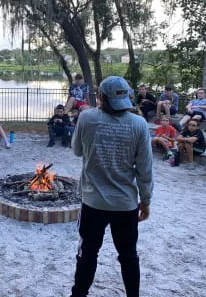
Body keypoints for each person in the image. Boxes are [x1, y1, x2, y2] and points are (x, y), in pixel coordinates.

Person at [70, 76, 153, 297]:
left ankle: (78, 295)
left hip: (92, 202)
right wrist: (145, 200)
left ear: (100, 97)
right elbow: (145, 169)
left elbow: (76, 150)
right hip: (125, 204)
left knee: (87, 252)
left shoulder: (87, 118)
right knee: (128, 255)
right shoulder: (139, 124)